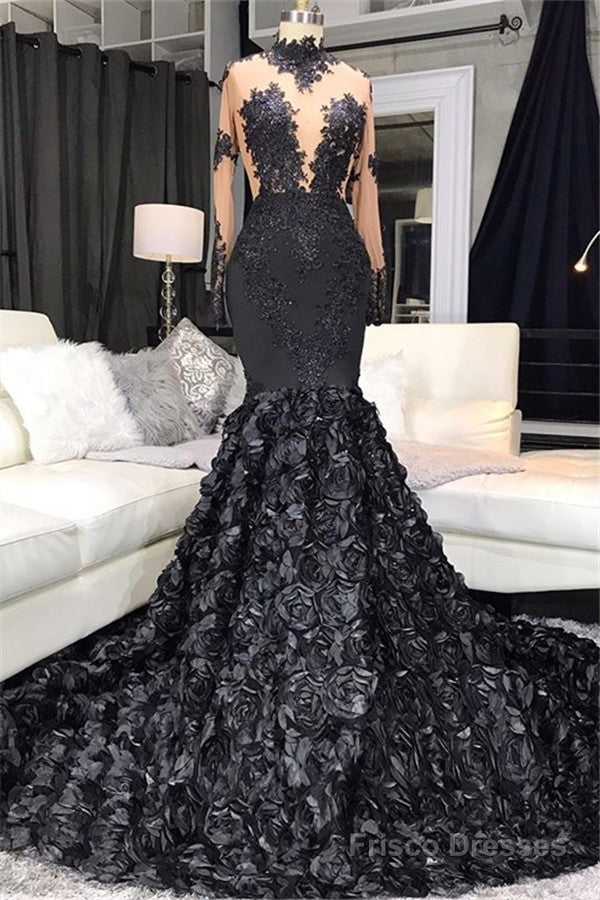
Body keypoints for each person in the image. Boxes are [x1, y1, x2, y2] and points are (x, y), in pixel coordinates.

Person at [1, 31, 598, 899]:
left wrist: (375, 270)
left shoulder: (358, 79)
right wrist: (227, 261)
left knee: (334, 421)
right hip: (268, 260)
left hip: (335, 268)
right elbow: (223, 180)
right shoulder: (240, 74)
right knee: (274, 415)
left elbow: (365, 190)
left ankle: (340, 600)